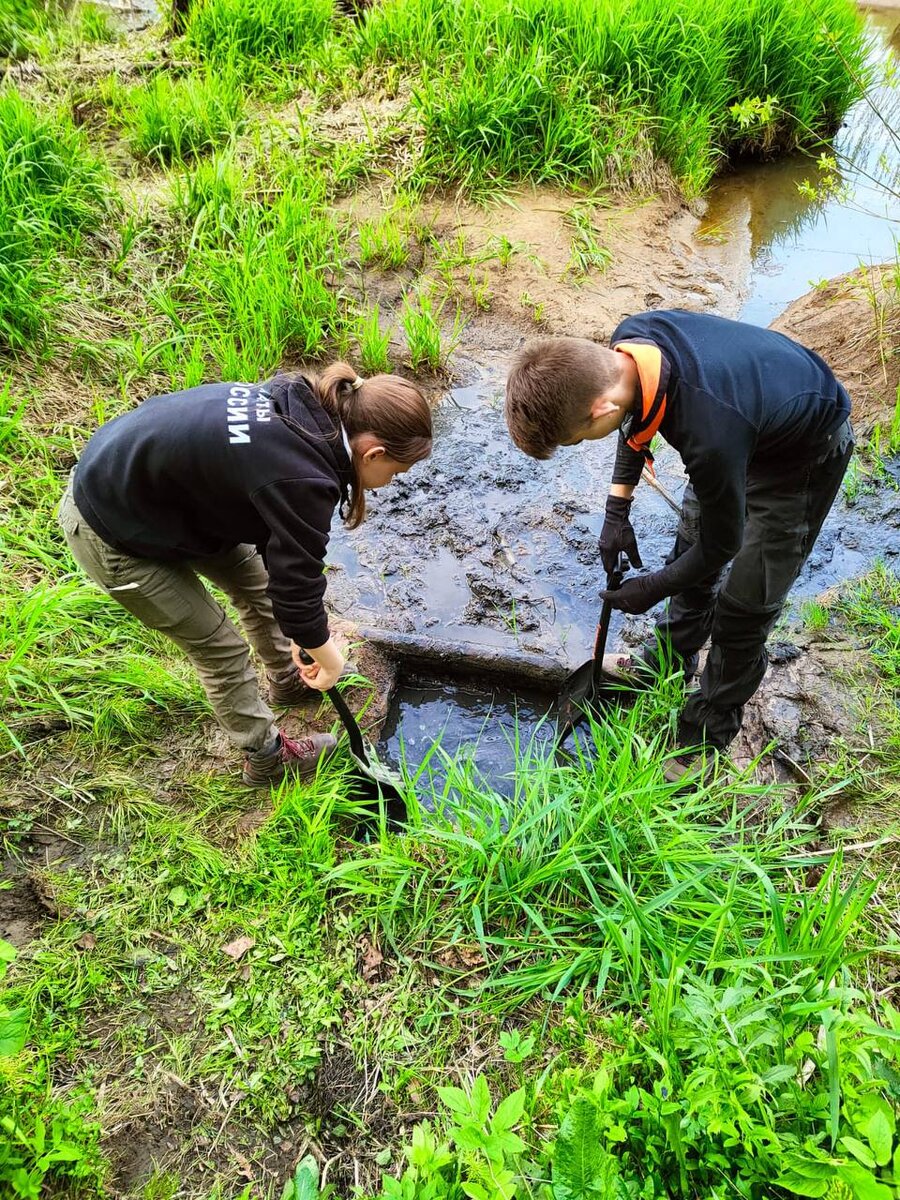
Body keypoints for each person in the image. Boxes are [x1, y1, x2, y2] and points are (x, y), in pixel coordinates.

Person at [504, 309, 853, 780]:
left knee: (744, 607)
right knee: (689, 555)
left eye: (576, 438)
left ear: (599, 409)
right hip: (745, 424)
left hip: (801, 455)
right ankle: (671, 660)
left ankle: (704, 737)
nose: (581, 443)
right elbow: (632, 421)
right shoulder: (628, 345)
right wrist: (616, 510)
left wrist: (652, 587)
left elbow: (723, 543)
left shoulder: (708, 429)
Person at [59, 365, 433, 786]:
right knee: (220, 648)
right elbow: (298, 588)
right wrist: (327, 655)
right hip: (109, 527)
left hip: (171, 501)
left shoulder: (305, 405)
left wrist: (307, 639)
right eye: (395, 474)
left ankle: (288, 680)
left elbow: (287, 565)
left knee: (257, 586)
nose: (387, 484)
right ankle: (268, 758)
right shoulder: (304, 476)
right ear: (374, 454)